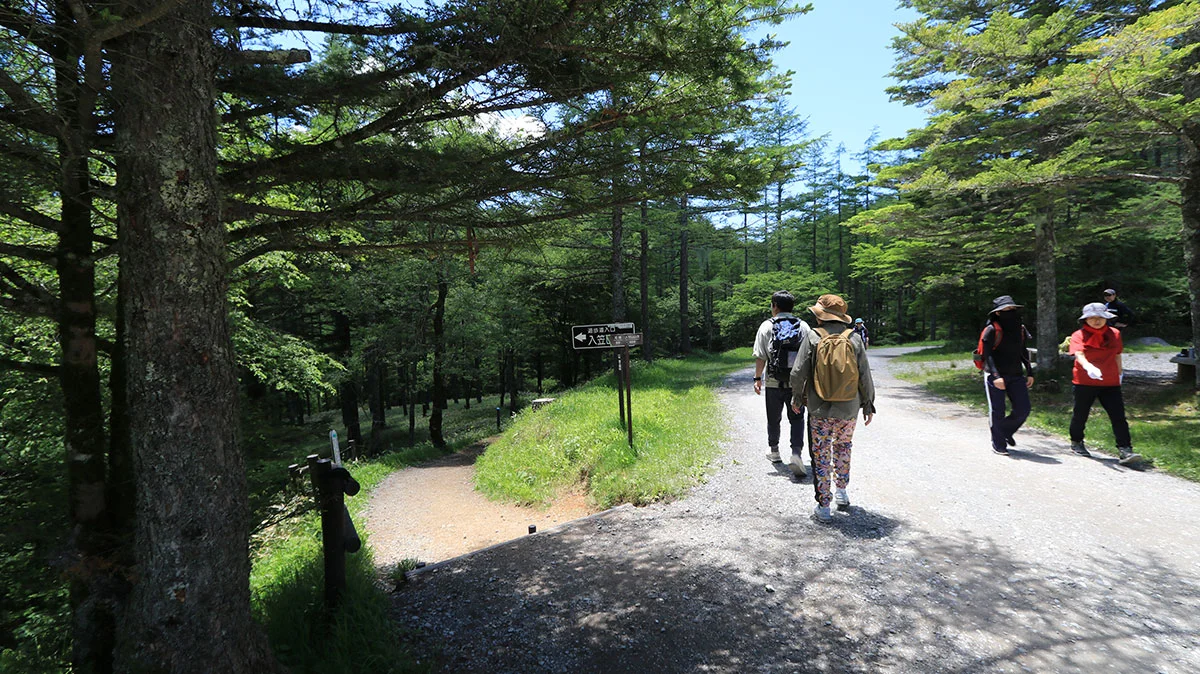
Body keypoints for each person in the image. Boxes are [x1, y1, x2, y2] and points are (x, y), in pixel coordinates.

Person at [789, 294, 875, 523]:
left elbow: (798, 371)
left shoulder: (813, 337)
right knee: (844, 446)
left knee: (821, 453)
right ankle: (842, 492)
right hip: (849, 408)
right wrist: (868, 404)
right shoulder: (854, 338)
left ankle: (824, 506)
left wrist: (797, 397)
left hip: (819, 408)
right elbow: (865, 375)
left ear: (820, 316)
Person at [1068, 303, 1142, 464]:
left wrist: (1120, 374)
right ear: (1085, 319)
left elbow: (1117, 354)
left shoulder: (1114, 333)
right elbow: (1078, 354)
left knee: (1118, 416)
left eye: (1100, 317)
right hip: (1085, 380)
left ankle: (1125, 449)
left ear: (1106, 318)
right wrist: (1088, 367)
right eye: (1092, 318)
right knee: (1080, 414)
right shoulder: (1078, 335)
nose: (1096, 321)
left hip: (1110, 382)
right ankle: (1077, 442)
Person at [753, 291, 810, 478]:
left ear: (775, 306)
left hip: (773, 381)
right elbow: (810, 356)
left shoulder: (766, 326)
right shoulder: (803, 326)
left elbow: (761, 356)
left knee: (774, 417)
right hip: (797, 383)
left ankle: (775, 451)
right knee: (797, 417)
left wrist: (757, 379)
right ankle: (796, 454)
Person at [980, 295, 1034, 456]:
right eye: (1005, 310)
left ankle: (1004, 431)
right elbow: (987, 356)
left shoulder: (1020, 328)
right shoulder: (991, 329)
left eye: (1012, 309)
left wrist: (1030, 372)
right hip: (994, 375)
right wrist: (996, 376)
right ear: (997, 313)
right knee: (998, 410)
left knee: (1023, 409)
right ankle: (998, 443)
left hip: (1016, 375)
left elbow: (1023, 351)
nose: (1010, 312)